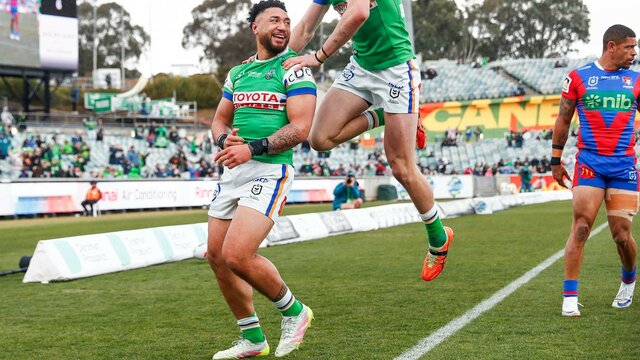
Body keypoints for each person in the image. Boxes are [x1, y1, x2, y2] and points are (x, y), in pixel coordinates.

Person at [281, 0, 453, 282]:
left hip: (396, 69)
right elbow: (305, 28)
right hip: (361, 66)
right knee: (320, 138)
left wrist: (319, 57)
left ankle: (438, 238)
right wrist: (271, 63)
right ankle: (386, 115)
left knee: (401, 167)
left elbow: (359, 12)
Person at [207, 1, 317, 358]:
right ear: (255, 27)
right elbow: (218, 121)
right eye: (274, 20)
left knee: (237, 254)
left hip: (270, 170)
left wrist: (251, 149)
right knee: (216, 256)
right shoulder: (238, 73)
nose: (283, 25)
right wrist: (225, 140)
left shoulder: (294, 70)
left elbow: (301, 128)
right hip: (233, 170)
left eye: (287, 20)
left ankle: (295, 312)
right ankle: (253, 338)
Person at [552, 24, 639, 317]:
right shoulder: (578, 78)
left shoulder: (636, 81)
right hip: (589, 163)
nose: (634, 53)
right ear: (611, 46)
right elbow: (563, 121)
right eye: (630, 47)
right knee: (581, 227)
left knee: (621, 235)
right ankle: (569, 295)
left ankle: (628, 281)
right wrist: (555, 160)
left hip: (624, 167)